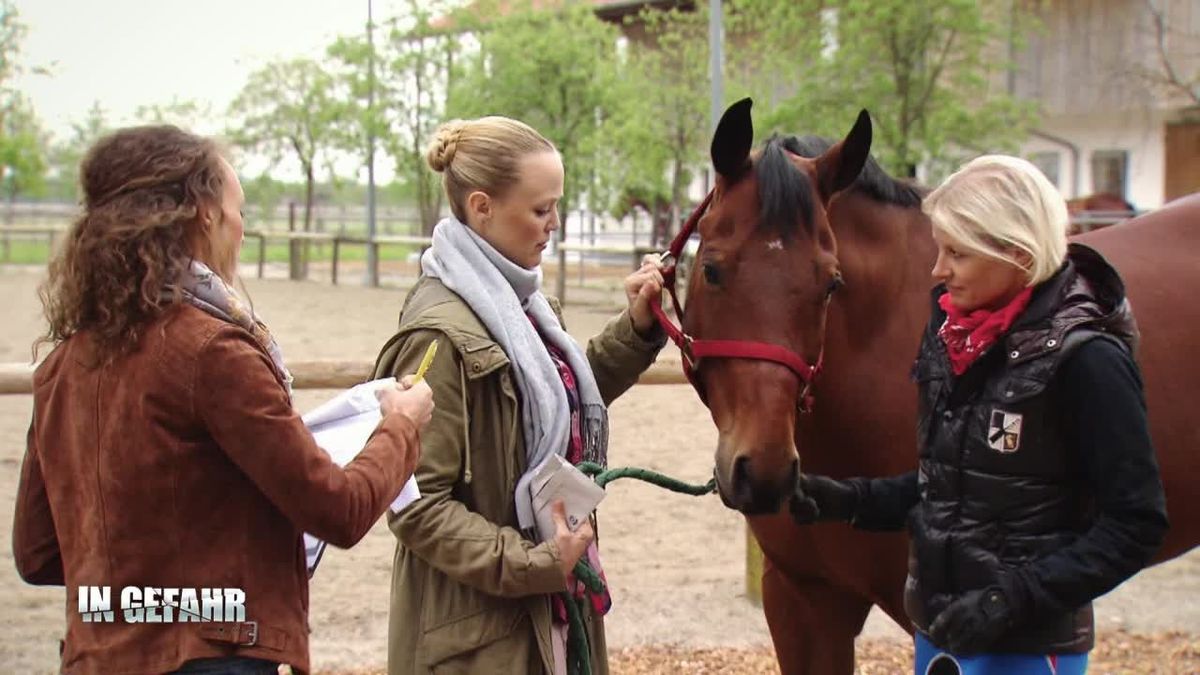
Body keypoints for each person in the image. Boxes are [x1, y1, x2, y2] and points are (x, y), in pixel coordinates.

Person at [12, 126, 434, 675]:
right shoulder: (214, 352)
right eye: (238, 208)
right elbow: (340, 510)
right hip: (213, 658)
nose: (242, 225)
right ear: (205, 215)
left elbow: (39, 553)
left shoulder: (62, 366)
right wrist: (399, 427)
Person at [790, 155, 1168, 674]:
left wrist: (1008, 601)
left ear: (1016, 253)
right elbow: (951, 486)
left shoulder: (1089, 359)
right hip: (943, 633)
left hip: (1029, 647)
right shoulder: (950, 336)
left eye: (957, 254)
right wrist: (844, 499)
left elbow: (1135, 525)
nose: (938, 269)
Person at [374, 116, 667, 675]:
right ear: (481, 207)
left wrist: (637, 326)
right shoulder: (438, 334)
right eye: (540, 209)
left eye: (556, 206)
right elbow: (416, 504)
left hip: (544, 607)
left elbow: (558, 405)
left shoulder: (522, 308)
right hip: (482, 641)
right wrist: (536, 562)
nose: (554, 223)